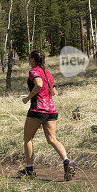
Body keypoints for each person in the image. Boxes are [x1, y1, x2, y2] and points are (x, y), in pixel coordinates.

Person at [19, 50, 75, 180]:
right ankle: (67, 161)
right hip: (51, 110)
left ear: (33, 59)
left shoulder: (34, 71)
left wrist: (28, 98)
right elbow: (53, 92)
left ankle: (29, 169)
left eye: (30, 59)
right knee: (52, 139)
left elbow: (38, 84)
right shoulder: (48, 73)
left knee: (28, 138)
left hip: (38, 109)